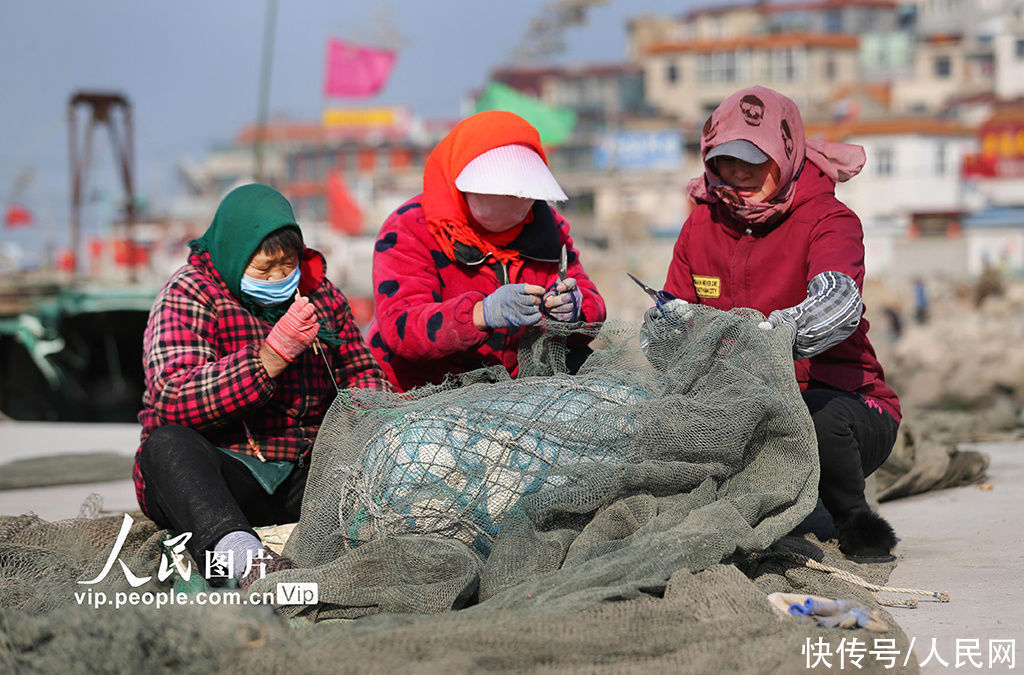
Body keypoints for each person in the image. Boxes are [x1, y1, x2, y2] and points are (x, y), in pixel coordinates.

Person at [648, 86, 902, 561]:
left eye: (753, 159)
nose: (738, 173)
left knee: (817, 417)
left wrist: (765, 337)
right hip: (741, 407)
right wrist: (664, 325)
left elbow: (838, 303)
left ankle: (854, 520)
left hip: (845, 403)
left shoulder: (829, 218)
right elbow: (674, 319)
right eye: (726, 160)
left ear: (785, 154)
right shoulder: (699, 225)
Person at [133, 184, 392, 589]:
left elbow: (363, 373)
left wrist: (362, 415)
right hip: (226, 472)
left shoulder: (319, 293)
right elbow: (174, 396)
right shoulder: (189, 292)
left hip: (304, 472)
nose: (278, 278)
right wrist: (268, 358)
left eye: (286, 266)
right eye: (263, 269)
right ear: (235, 256)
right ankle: (241, 554)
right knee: (165, 446)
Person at [367, 110, 606, 391]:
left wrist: (576, 310)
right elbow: (401, 327)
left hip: (516, 391)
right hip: (418, 392)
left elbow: (593, 304)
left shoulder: (549, 230)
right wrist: (481, 313)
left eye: (524, 194)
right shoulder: (411, 228)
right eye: (502, 191)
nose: (518, 201)